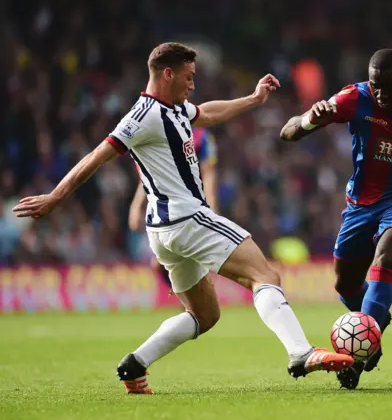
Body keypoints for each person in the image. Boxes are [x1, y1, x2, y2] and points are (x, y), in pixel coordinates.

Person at [13, 42, 353, 394]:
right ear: (167, 73)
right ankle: (300, 352)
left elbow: (206, 113)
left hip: (163, 232)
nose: (193, 85)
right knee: (264, 274)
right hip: (186, 217)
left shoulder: (175, 109)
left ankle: (135, 364)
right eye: (189, 78)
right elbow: (97, 156)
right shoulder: (143, 116)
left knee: (205, 316)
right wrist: (56, 197)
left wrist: (252, 100)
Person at [280, 48, 392, 389]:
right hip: (361, 205)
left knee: (388, 254)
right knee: (345, 283)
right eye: (375, 86)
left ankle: (358, 358)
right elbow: (287, 132)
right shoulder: (354, 98)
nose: (381, 94)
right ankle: (375, 325)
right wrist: (310, 119)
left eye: (388, 87)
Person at [129, 126, 218, 290]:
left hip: (193, 206)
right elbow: (151, 176)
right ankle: (188, 297)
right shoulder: (156, 133)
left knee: (179, 261)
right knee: (160, 264)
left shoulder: (200, 136)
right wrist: (137, 204)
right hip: (166, 208)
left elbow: (209, 172)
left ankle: (193, 297)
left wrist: (211, 207)